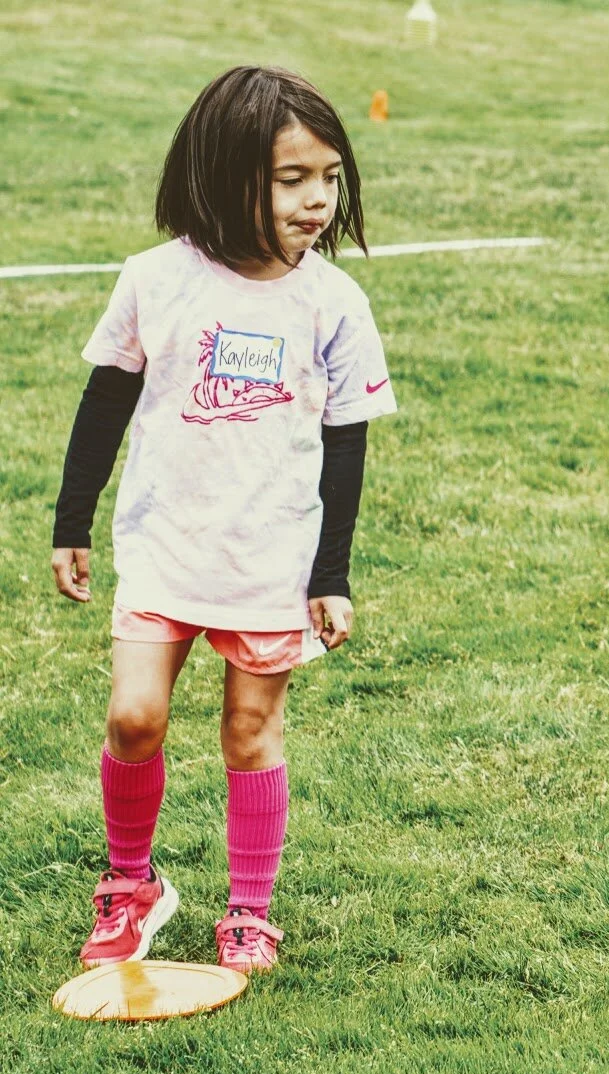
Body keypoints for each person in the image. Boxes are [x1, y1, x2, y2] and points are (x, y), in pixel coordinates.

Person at [53, 65, 395, 975]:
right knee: (133, 718)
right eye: (292, 179)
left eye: (329, 176)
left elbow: (346, 447)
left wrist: (330, 575)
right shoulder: (155, 281)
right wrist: (71, 520)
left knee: (250, 729)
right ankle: (131, 886)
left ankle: (249, 908)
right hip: (165, 544)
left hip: (268, 557)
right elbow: (105, 402)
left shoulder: (333, 303)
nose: (318, 198)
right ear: (224, 171)